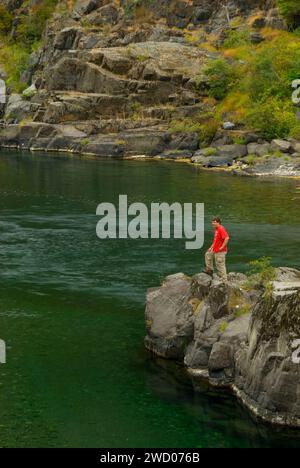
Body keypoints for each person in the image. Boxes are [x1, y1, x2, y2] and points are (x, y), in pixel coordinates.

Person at [203, 217, 230, 282]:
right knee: (208, 254)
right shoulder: (217, 229)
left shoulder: (221, 229)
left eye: (214, 222)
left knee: (220, 265)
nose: (213, 223)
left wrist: (222, 247)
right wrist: (211, 247)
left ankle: (224, 280)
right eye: (212, 222)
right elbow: (216, 240)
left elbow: (227, 238)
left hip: (220, 251)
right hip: (215, 248)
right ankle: (209, 270)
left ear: (218, 223)